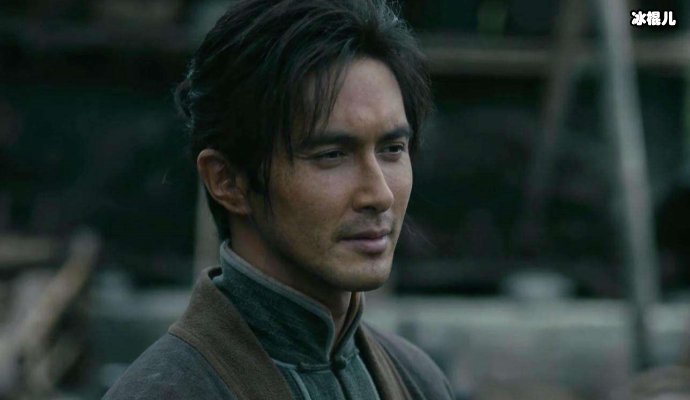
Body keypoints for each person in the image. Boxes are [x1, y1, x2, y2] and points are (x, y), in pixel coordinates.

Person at [103, 0, 452, 398]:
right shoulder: (169, 391)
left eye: (392, 149)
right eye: (331, 155)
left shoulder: (417, 380)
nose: (380, 194)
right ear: (227, 181)